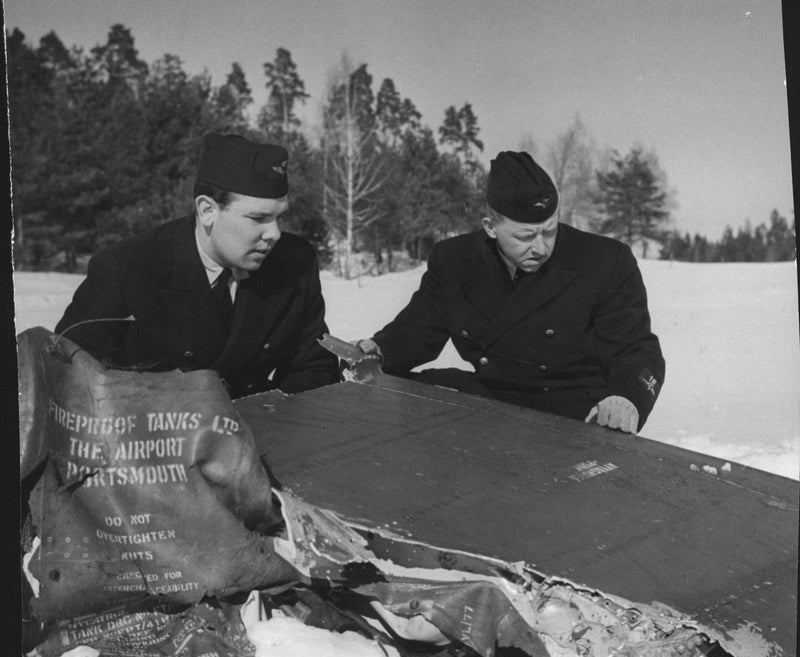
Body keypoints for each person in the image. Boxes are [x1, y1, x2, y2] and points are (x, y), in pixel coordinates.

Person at [357, 151, 664, 433]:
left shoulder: (605, 261)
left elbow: (637, 350)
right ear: (491, 227)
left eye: (549, 230)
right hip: (491, 396)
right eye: (526, 236)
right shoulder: (455, 261)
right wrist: (379, 350)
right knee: (391, 397)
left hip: (571, 410)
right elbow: (417, 329)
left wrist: (626, 399)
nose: (541, 247)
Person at [55, 133, 339, 398]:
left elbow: (314, 369)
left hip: (261, 436)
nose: (275, 234)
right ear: (207, 210)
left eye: (280, 218)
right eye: (258, 218)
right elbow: (70, 379)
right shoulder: (128, 268)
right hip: (154, 439)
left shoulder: (294, 262)